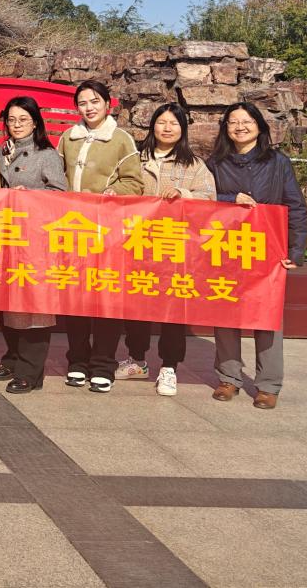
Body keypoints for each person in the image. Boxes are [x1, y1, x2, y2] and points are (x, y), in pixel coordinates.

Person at [207, 101, 307, 410]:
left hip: (266, 250)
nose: (240, 127)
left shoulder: (278, 162)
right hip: (225, 247)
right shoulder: (216, 163)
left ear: (259, 126)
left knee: (267, 315)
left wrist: (296, 250)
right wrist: (229, 198)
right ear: (226, 129)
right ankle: (229, 378)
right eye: (233, 122)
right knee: (225, 311)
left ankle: (268, 385)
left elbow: (295, 206)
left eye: (246, 121)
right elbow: (203, 199)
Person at [113, 102, 216, 397]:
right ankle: (137, 360)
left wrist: (185, 194)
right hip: (138, 244)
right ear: (152, 126)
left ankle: (169, 367)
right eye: (162, 122)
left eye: (174, 123)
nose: (167, 128)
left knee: (173, 311)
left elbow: (210, 197)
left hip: (175, 248)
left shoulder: (193, 164)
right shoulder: (136, 158)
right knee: (137, 306)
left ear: (183, 129)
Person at [57, 79, 144, 393]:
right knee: (75, 301)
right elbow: (57, 178)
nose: (89, 107)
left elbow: (135, 183)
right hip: (73, 231)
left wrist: (113, 192)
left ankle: (103, 365)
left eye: (95, 101)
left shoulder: (121, 139)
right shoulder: (68, 138)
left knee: (107, 300)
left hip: (108, 233)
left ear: (108, 104)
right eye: (82, 103)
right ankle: (77, 362)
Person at [0, 96, 64, 394]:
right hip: (5, 237)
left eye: (23, 119)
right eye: (11, 119)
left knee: (35, 305)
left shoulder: (46, 154)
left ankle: (31, 371)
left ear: (35, 122)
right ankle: (12, 358)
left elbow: (60, 193)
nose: (16, 125)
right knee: (9, 302)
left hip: (36, 239)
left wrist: (30, 195)